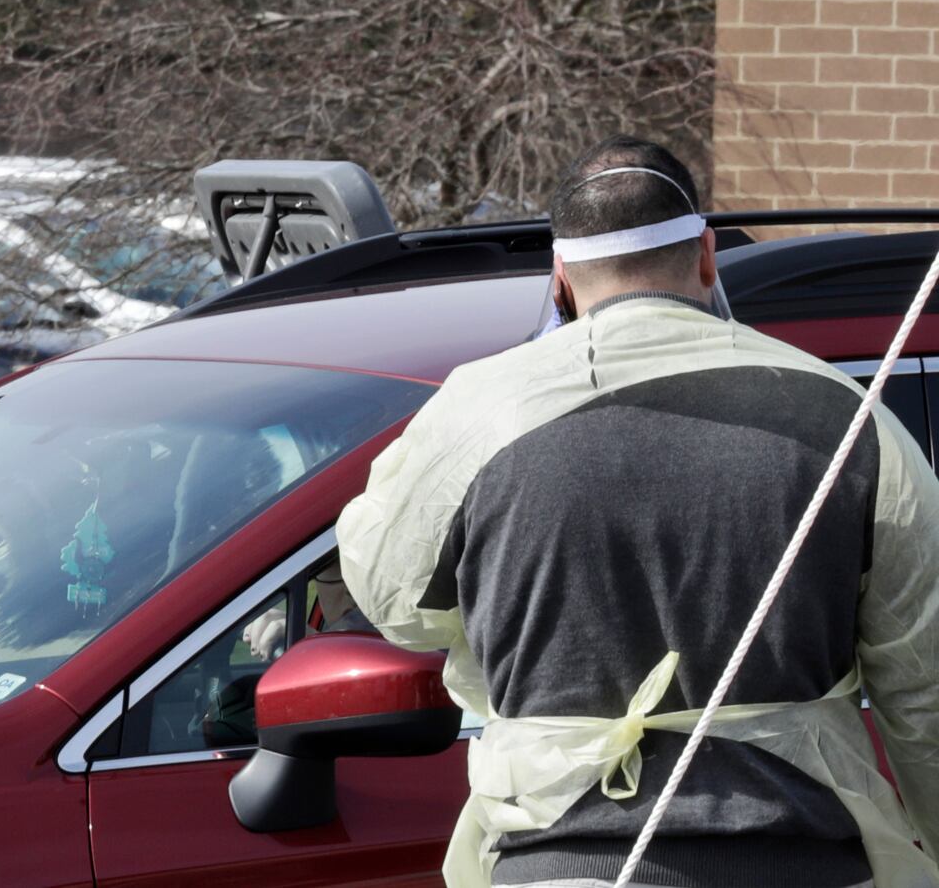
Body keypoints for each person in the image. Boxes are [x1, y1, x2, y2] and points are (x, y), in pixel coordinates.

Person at [337, 134, 939, 888]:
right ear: (708, 256)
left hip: (559, 859)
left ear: (559, 278)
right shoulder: (849, 419)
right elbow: (925, 684)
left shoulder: (476, 415)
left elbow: (396, 600)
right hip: (807, 858)